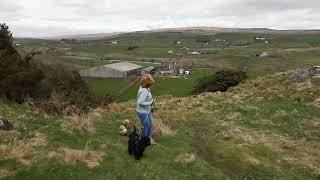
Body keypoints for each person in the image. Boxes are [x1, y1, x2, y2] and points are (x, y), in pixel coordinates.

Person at [136, 74, 156, 144]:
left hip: (147, 111)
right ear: (147, 84)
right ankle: (143, 140)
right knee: (147, 125)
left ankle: (149, 139)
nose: (151, 85)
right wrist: (150, 103)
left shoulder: (145, 89)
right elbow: (140, 102)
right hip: (142, 112)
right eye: (150, 84)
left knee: (150, 125)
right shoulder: (144, 91)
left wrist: (151, 107)